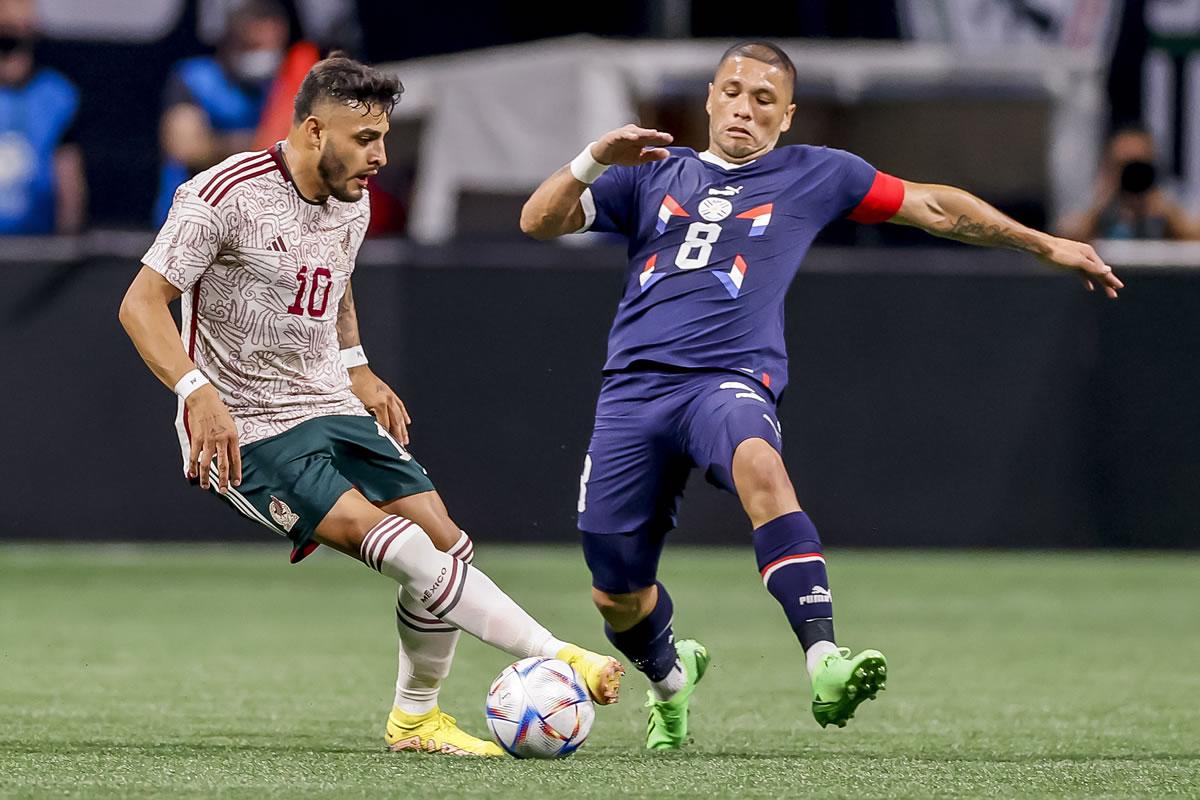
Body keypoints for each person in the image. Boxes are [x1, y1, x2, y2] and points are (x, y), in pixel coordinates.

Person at [520, 40, 1123, 749]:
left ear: (787, 117)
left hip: (727, 379)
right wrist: (596, 155)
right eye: (734, 92)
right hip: (633, 392)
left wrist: (1043, 243)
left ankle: (824, 657)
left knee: (761, 464)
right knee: (615, 591)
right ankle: (672, 679)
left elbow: (933, 205)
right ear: (711, 97)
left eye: (764, 100)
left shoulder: (816, 173)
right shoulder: (652, 171)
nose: (745, 108)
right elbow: (538, 221)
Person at [120, 53, 622, 757]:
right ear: (314, 130)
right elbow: (140, 304)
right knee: (398, 547)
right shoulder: (221, 194)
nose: (381, 156)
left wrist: (355, 366)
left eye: (385, 137)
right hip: (250, 425)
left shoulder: (349, 199)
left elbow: (337, 280)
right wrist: (194, 390)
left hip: (328, 399)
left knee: (447, 544)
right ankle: (556, 652)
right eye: (367, 139)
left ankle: (414, 721)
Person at [153, 0, 289, 225]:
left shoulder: (289, 84)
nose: (263, 57)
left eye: (271, 49)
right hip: (193, 223)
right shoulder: (193, 78)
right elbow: (185, 147)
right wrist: (261, 146)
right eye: (252, 47)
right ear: (230, 39)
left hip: (262, 228)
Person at [0, 0, 86, 234]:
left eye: (28, 40)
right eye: (8, 41)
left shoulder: (57, 95)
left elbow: (69, 177)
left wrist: (65, 246)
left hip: (35, 253)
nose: (19, 54)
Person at [1057, 124, 1200, 241]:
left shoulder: (1170, 195)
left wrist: (1169, 215)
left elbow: (1195, 237)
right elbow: (1064, 240)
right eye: (1123, 166)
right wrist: (1098, 209)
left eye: (1138, 165)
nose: (1132, 174)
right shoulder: (1095, 198)